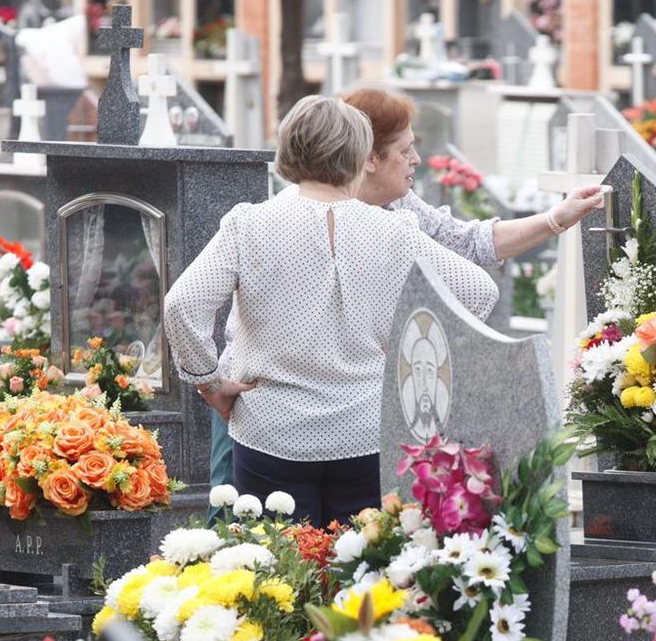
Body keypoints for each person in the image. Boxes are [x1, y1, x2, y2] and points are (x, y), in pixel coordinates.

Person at [166, 95, 498, 524]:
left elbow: (181, 304)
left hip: (271, 425)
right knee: (357, 574)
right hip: (365, 429)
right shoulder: (393, 231)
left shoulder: (248, 224)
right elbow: (477, 291)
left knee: (277, 575)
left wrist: (209, 384)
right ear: (361, 154)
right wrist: (409, 364)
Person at [347, 86, 605, 265]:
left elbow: (467, 242)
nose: (416, 159)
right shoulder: (328, 216)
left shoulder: (398, 203)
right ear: (370, 159)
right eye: (404, 151)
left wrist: (557, 217)